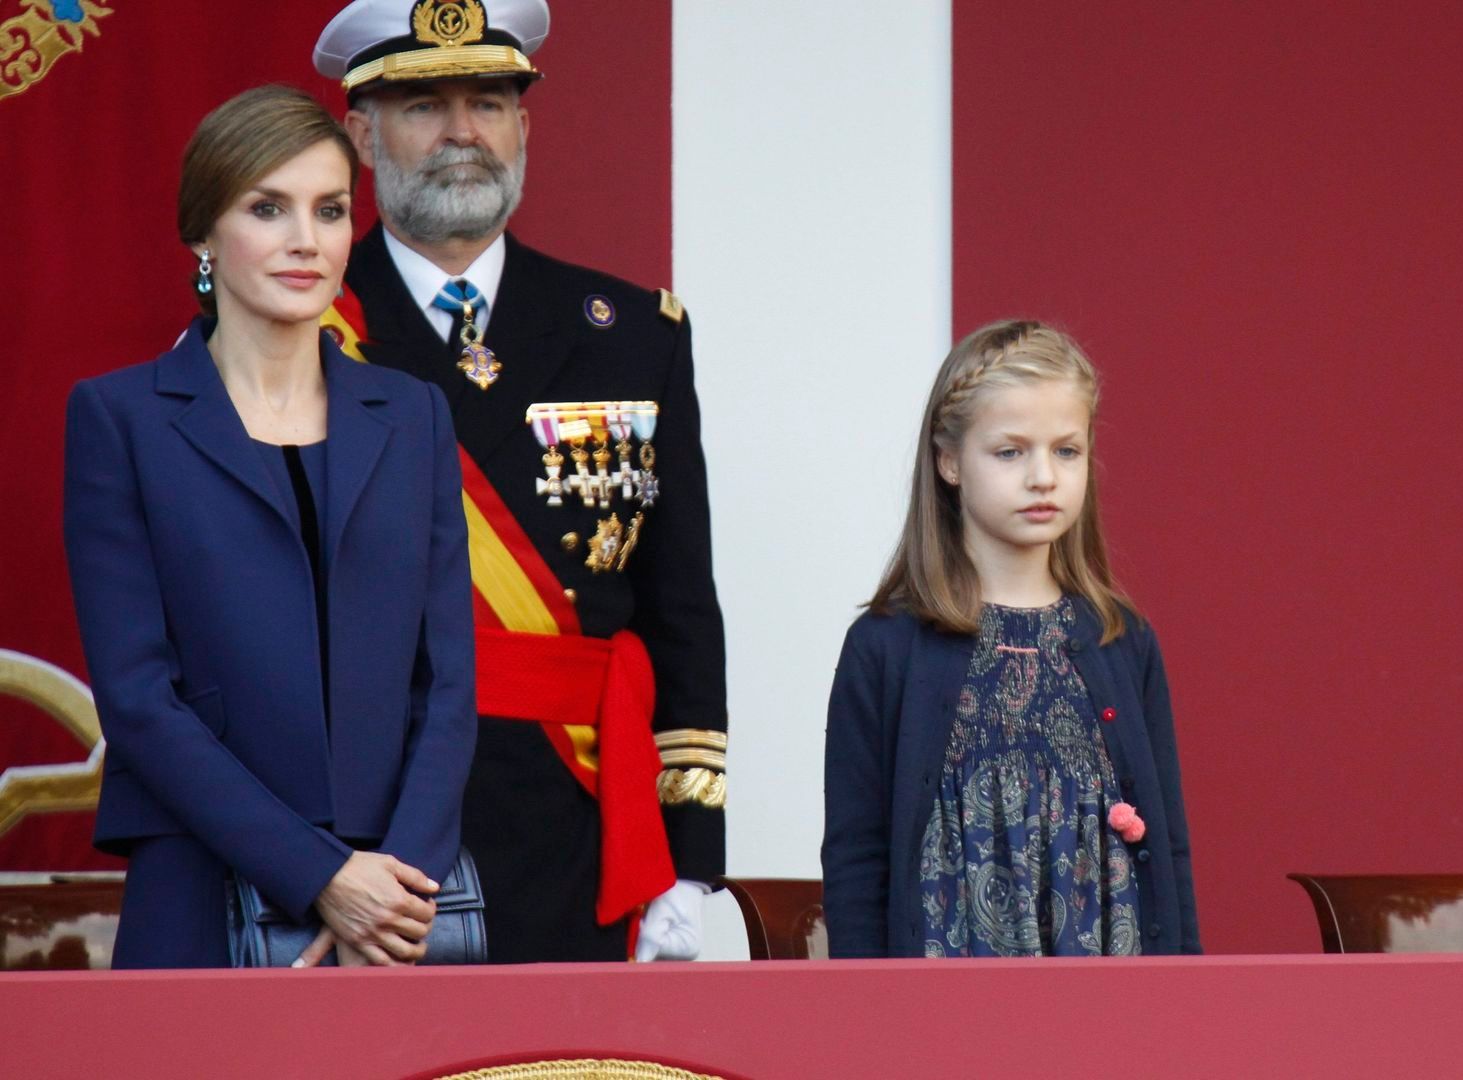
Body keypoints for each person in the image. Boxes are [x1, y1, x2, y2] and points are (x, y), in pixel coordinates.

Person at [312, 0, 726, 962]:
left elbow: (680, 611)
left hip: (578, 821)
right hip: (368, 828)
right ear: (361, 136)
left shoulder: (633, 333)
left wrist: (689, 858)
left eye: (489, 102)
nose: (463, 132)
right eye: (423, 105)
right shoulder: (299, 328)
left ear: (525, 126)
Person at [63, 85, 476, 969]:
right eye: (267, 208)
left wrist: (390, 881)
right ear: (204, 235)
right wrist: (321, 875)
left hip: (401, 904)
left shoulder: (413, 416)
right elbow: (138, 699)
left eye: (329, 211)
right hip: (199, 885)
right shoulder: (120, 418)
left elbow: (445, 686)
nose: (306, 240)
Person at [821, 320, 1199, 958]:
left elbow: (1168, 846)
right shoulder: (886, 646)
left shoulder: (1121, 640)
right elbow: (858, 858)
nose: (1043, 476)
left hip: (1109, 1014)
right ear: (948, 462)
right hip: (943, 1022)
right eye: (1010, 452)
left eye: (1067, 451)